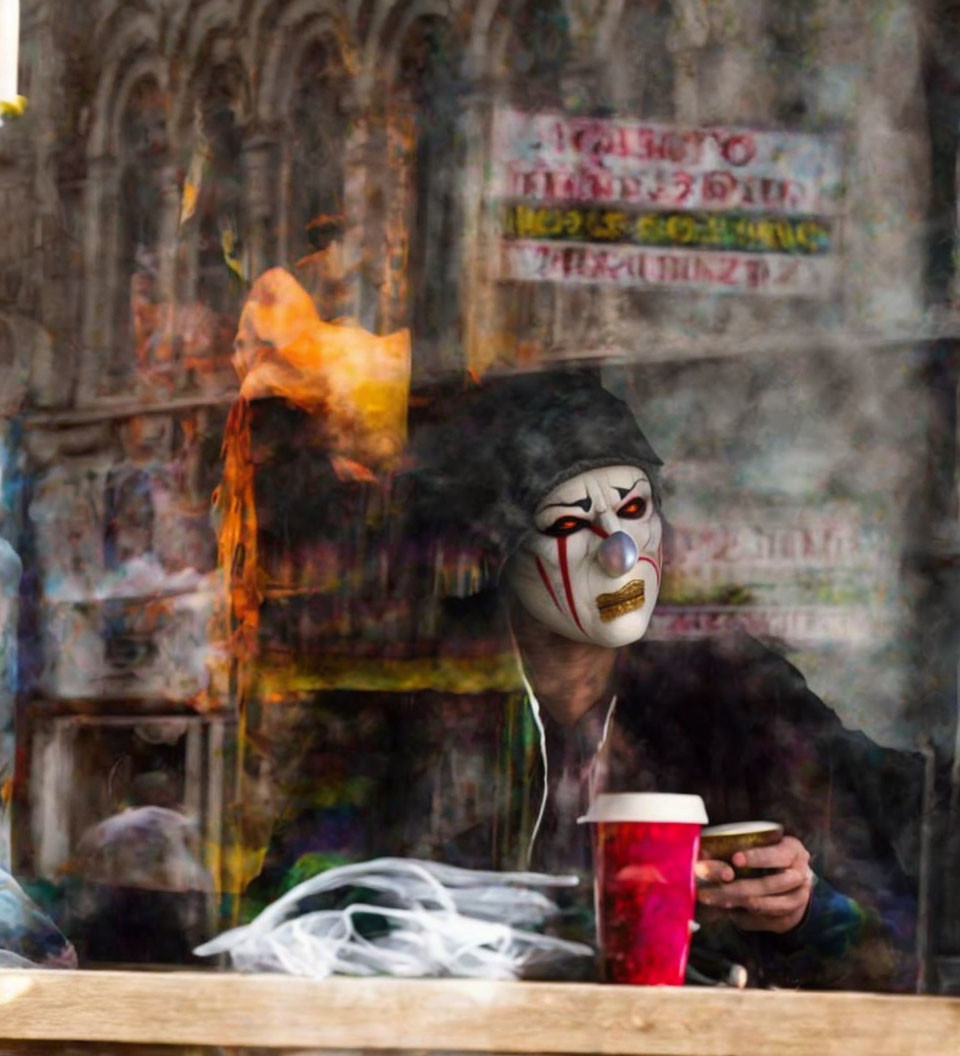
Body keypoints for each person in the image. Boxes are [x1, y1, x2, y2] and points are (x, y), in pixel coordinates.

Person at [406, 369, 922, 991]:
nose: (616, 551)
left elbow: (893, 949)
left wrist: (804, 912)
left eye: (632, 509)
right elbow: (318, 898)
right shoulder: (422, 692)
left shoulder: (735, 694)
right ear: (498, 552)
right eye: (569, 525)